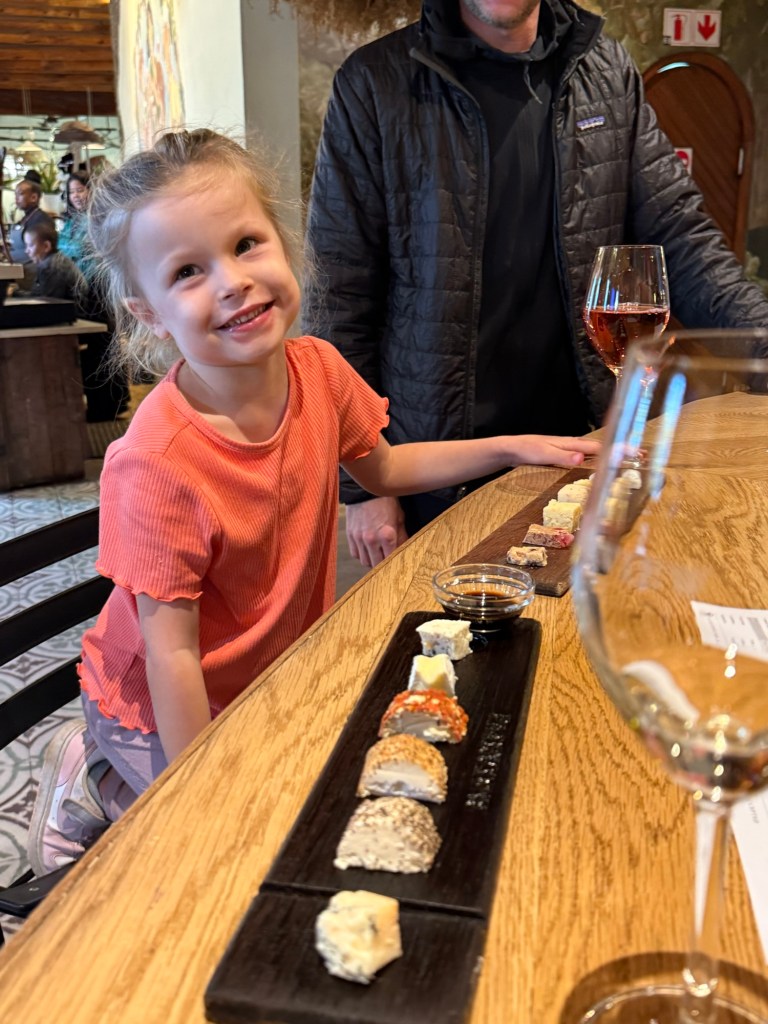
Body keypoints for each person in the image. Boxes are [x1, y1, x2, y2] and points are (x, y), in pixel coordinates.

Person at [25, 128, 599, 877]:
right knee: (228, 850)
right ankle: (93, 777)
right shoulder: (155, 462)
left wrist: (510, 447)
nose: (233, 280)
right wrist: (201, 786)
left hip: (269, 670)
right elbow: (172, 654)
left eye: (246, 244)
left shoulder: (319, 369)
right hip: (156, 702)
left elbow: (383, 468)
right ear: (150, 313)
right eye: (189, 271)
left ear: (284, 245)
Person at [303, 0, 768, 569]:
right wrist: (363, 484)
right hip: (436, 466)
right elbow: (339, 293)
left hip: (576, 450)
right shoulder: (374, 83)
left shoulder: (606, 70)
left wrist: (762, 347)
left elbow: (682, 236)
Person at [58, 171, 130, 421]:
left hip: (99, 289)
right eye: (72, 192)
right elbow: (63, 248)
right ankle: (100, 405)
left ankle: (112, 405)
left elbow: (94, 250)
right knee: (91, 353)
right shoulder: (70, 222)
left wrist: (71, 253)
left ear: (91, 190)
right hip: (80, 293)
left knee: (105, 346)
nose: (76, 196)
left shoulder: (101, 217)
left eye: (81, 190)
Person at [18, 220, 86, 301]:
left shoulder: (51, 267)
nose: (27, 251)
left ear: (46, 246)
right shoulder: (53, 261)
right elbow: (38, 293)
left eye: (30, 245)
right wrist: (16, 293)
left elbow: (48, 302)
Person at [8, 177, 55, 290]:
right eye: (15, 194)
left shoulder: (42, 220)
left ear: (34, 197)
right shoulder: (23, 219)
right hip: (18, 270)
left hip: (33, 273)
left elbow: (41, 253)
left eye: (20, 194)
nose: (16, 198)